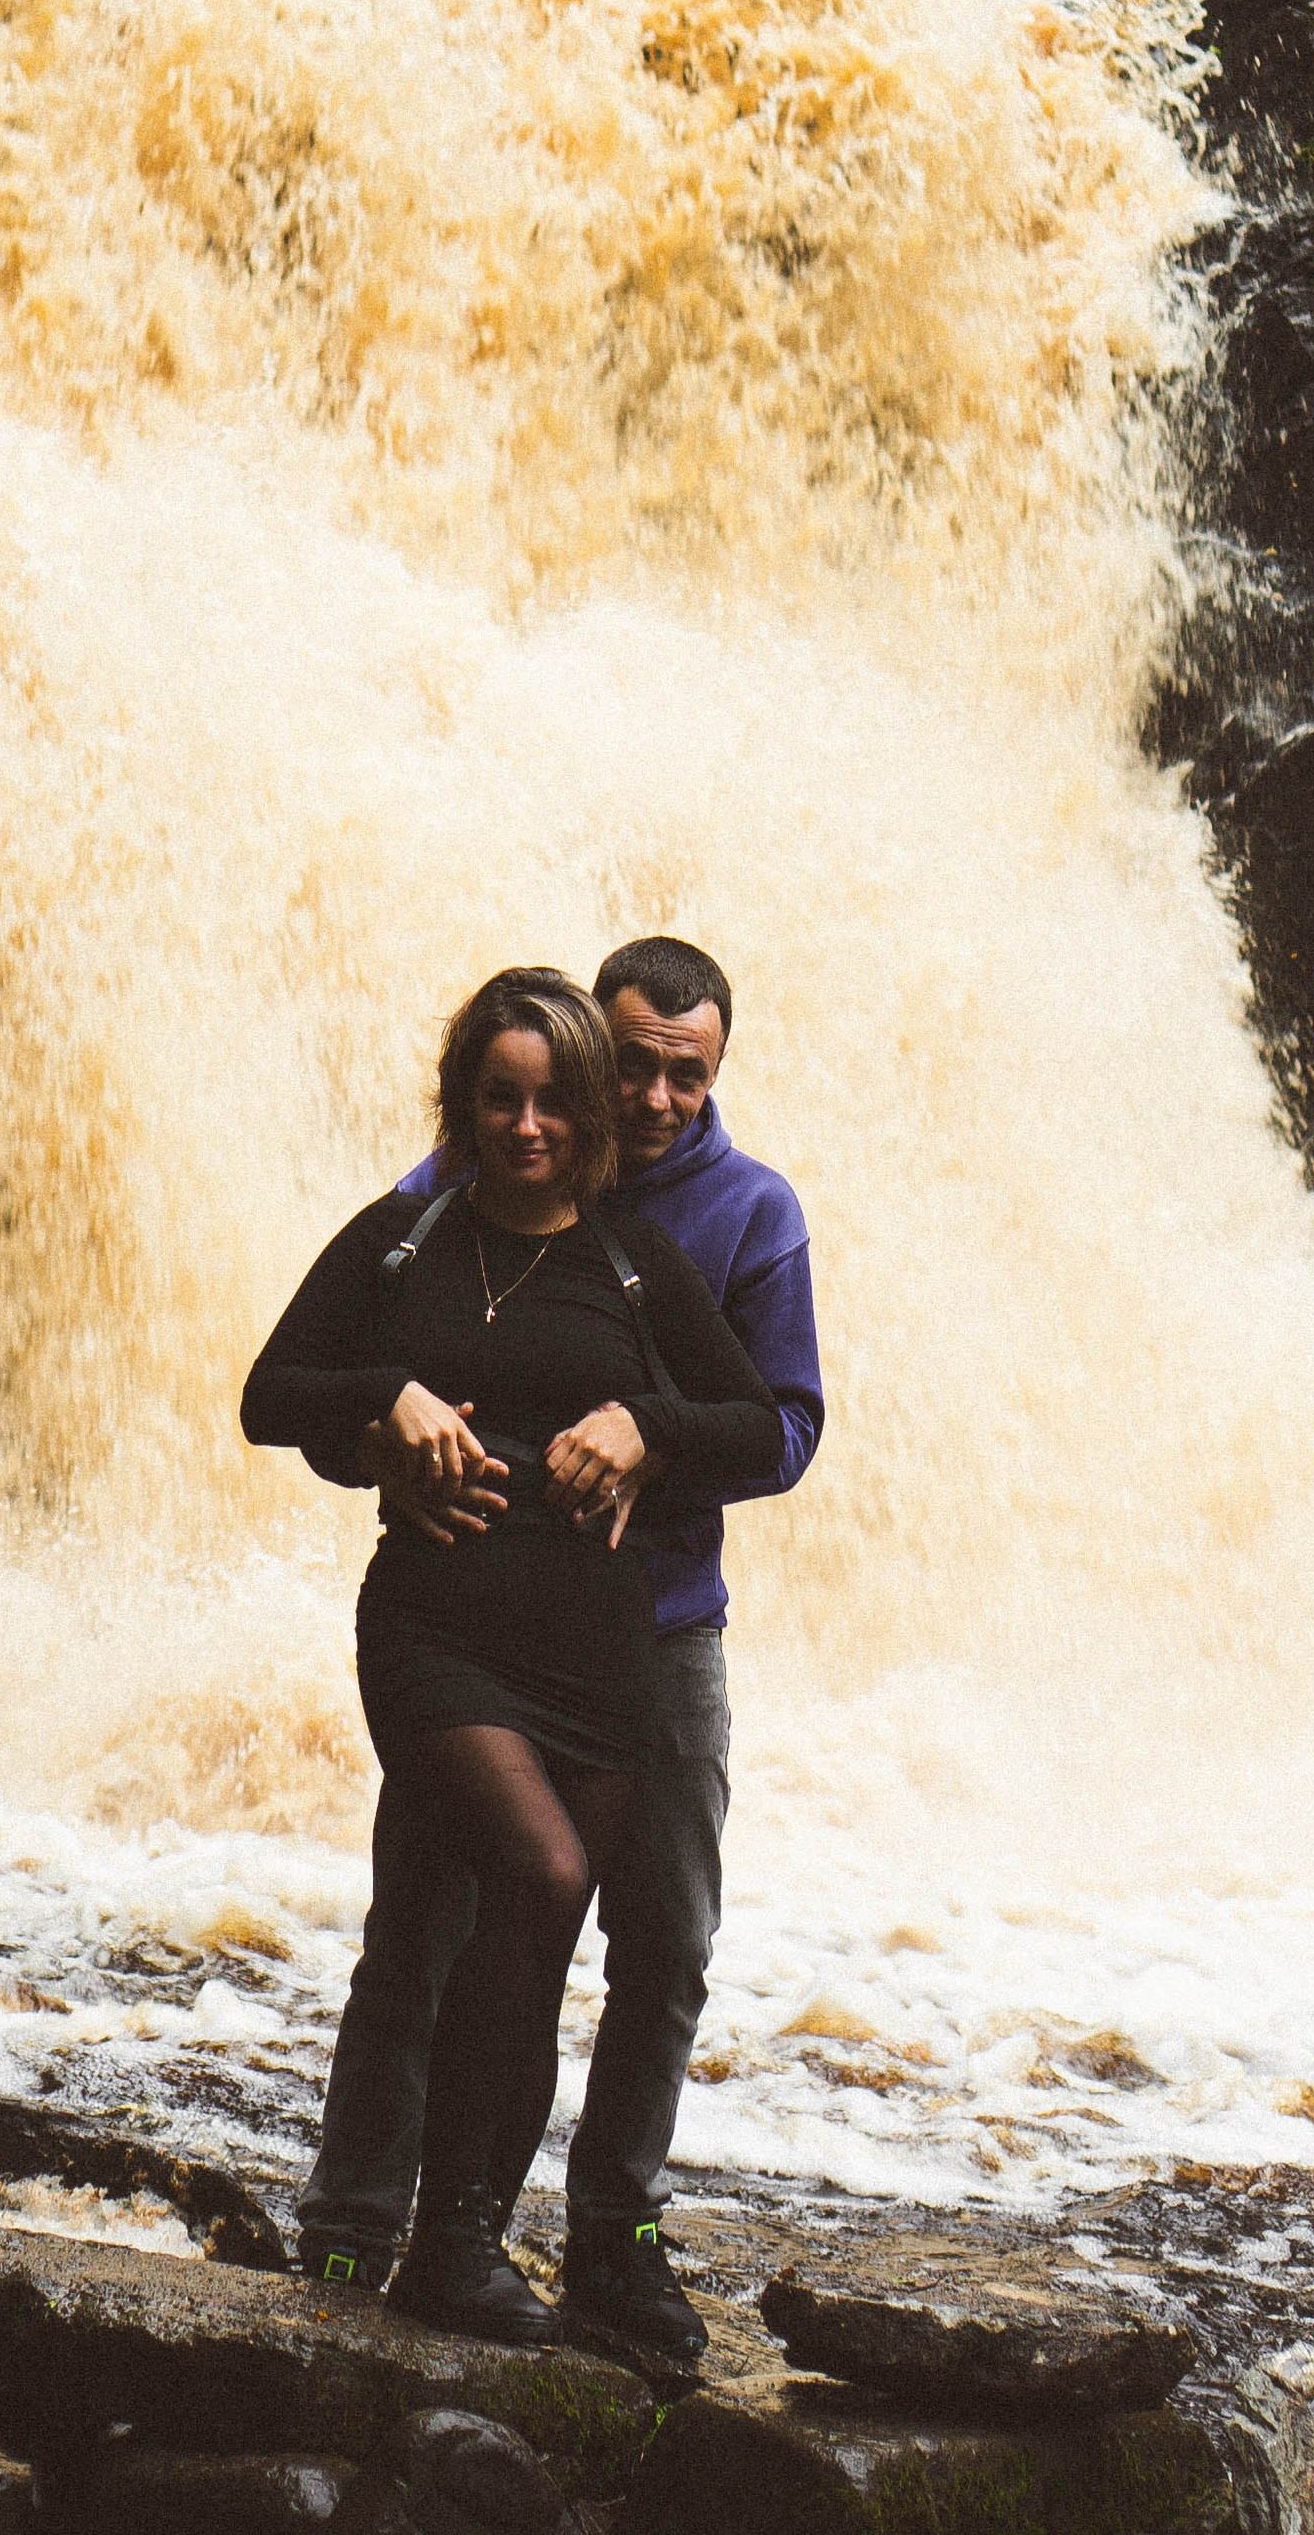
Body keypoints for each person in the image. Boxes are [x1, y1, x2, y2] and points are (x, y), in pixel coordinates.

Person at [291, 937, 823, 2368]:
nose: (653, 1099)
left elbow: (782, 1427)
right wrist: (380, 1444)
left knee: (660, 1939)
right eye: (631, 1065)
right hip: (463, 1624)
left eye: (684, 1076)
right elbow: (334, 1386)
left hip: (650, 1633)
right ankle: (360, 2223)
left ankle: (609, 2241)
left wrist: (652, 1434)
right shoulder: (463, 1186)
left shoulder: (739, 1215)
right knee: (429, 1924)